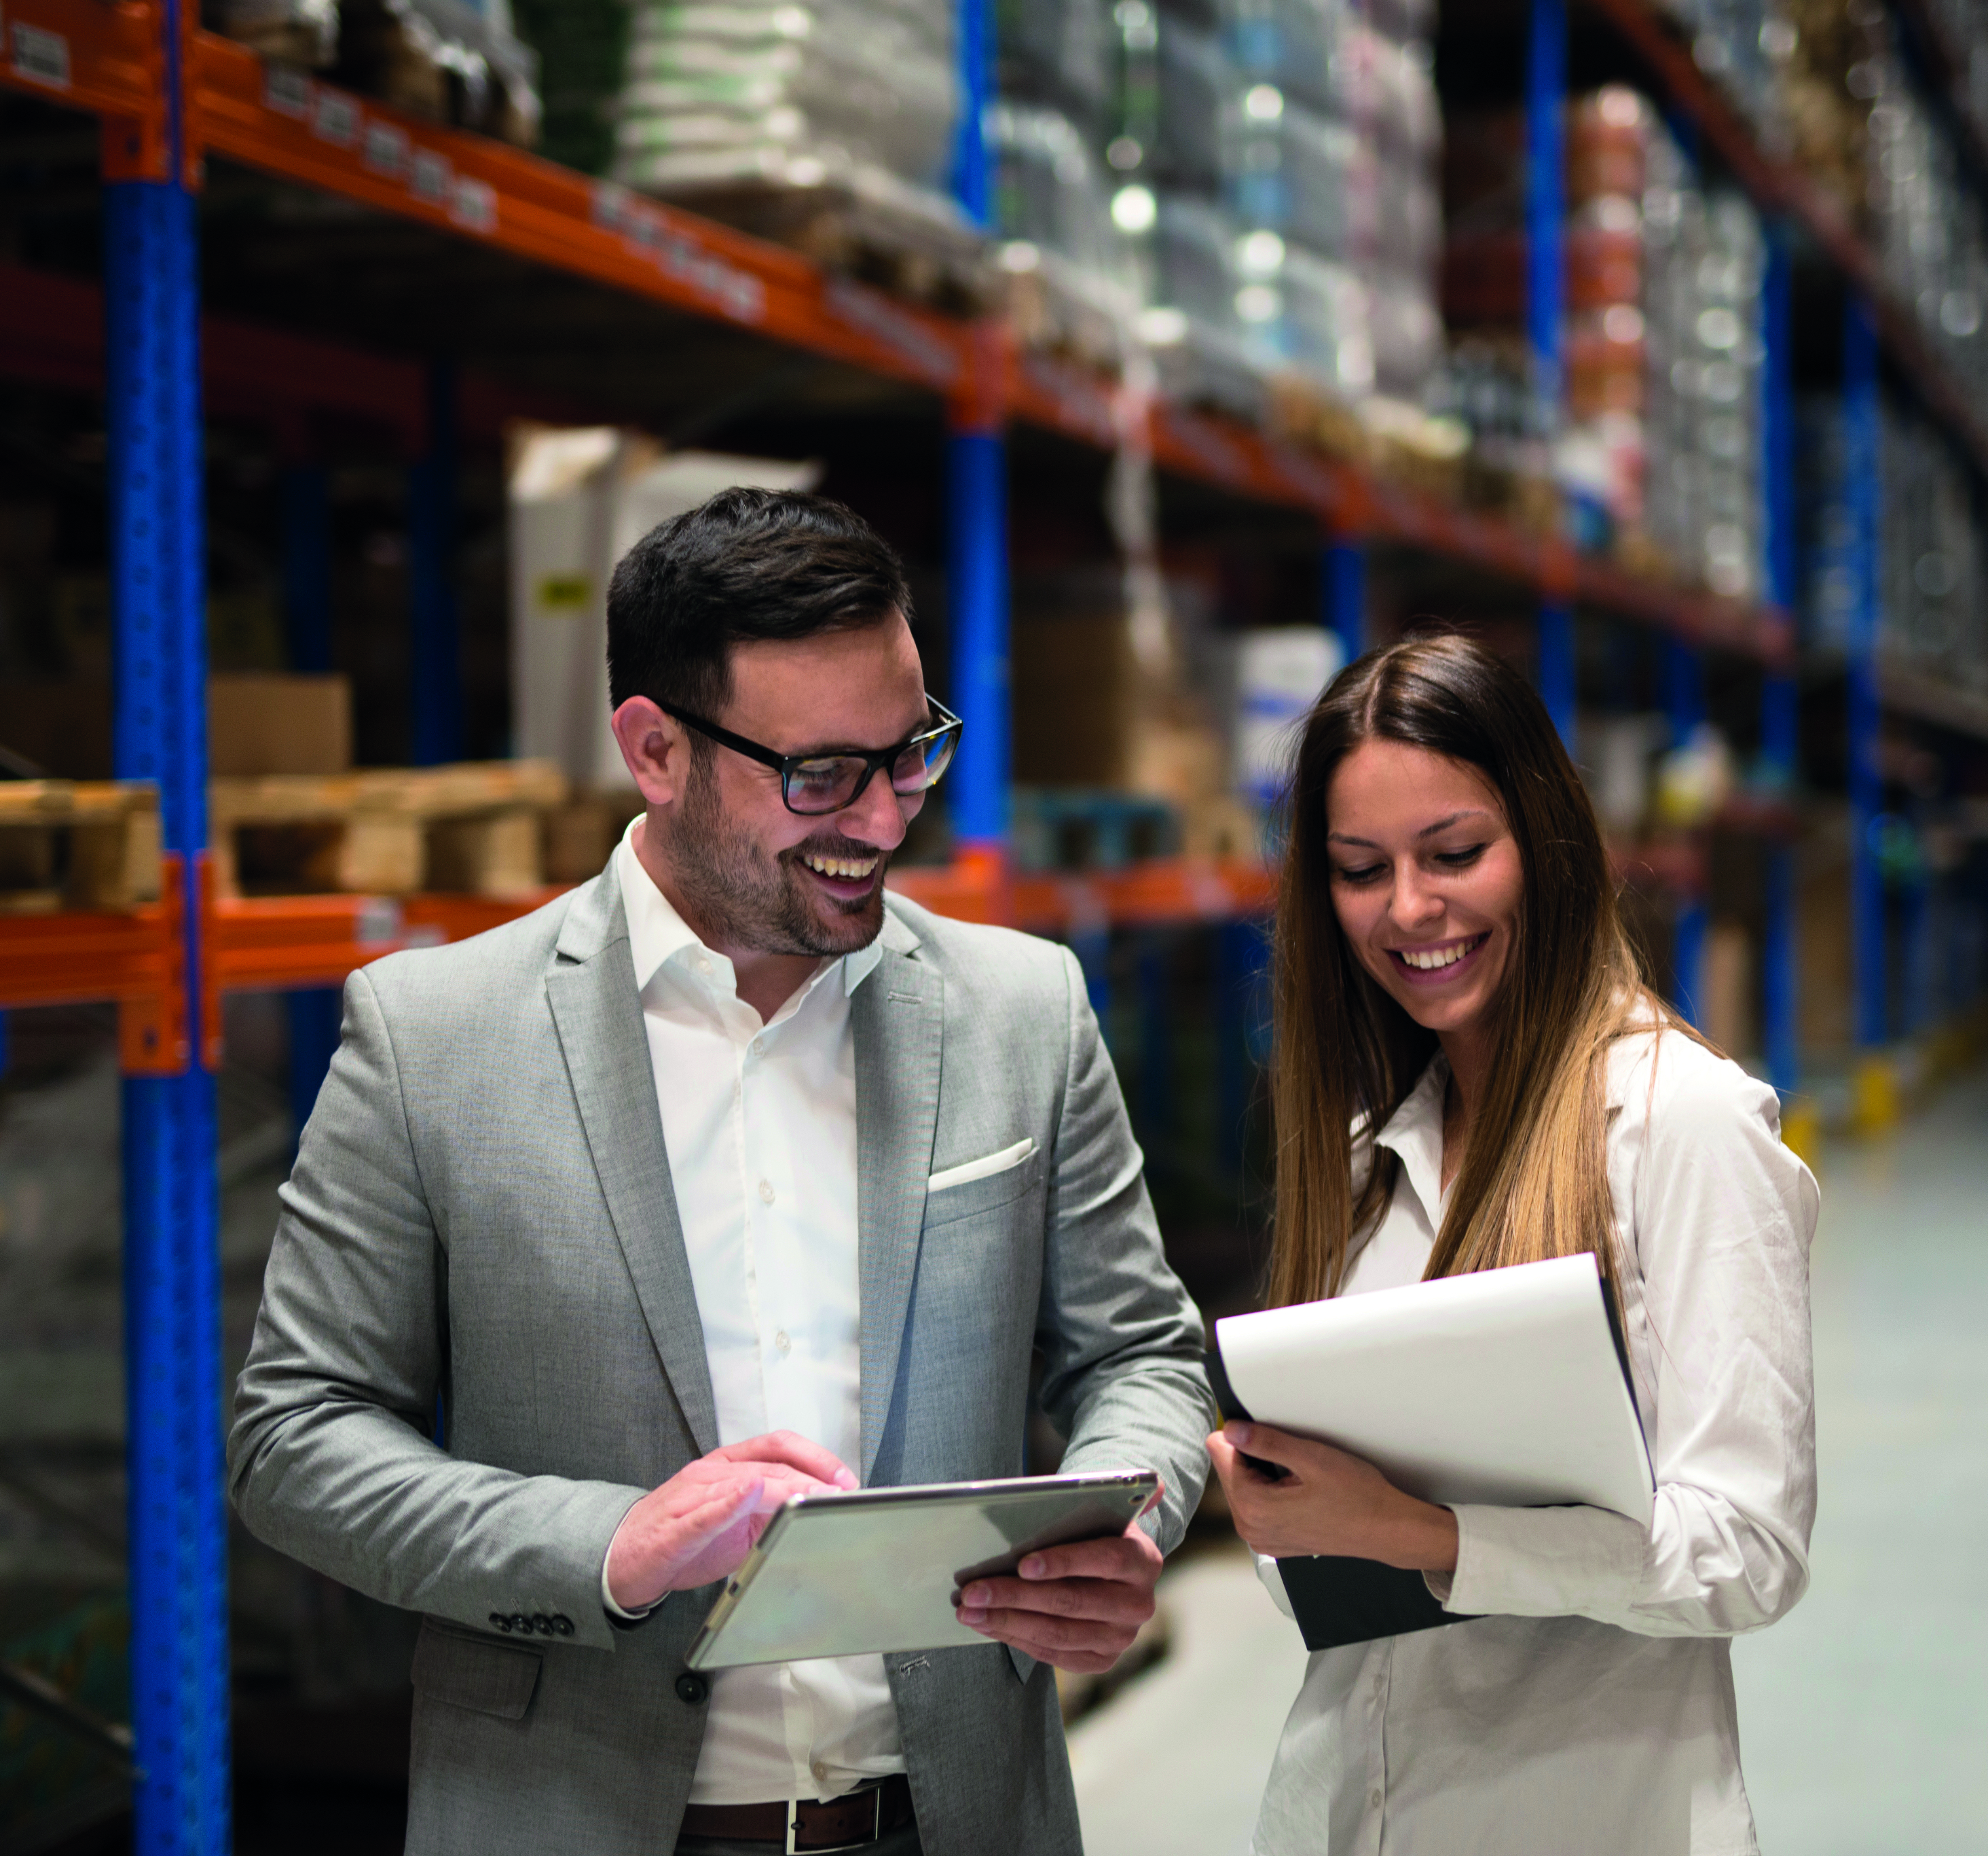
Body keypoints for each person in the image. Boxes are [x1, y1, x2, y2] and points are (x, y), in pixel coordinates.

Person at [229, 488, 1213, 1856]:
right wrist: (608, 1546)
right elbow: (296, 1437)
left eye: (911, 751)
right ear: (655, 750)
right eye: (819, 775)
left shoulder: (1020, 1010)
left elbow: (1141, 1354)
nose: (881, 821)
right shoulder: (433, 1037)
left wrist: (1128, 1519)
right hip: (575, 1815)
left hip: (949, 1814)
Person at [1203, 631, 1818, 1856]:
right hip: (1348, 1807)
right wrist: (1286, 1508)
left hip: (1587, 1812)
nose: (1411, 909)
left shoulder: (1679, 1126)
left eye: (1455, 853)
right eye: (1359, 868)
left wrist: (1414, 1530)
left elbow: (1749, 1552)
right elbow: (1323, 1575)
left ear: (1546, 839)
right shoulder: (1374, 1148)